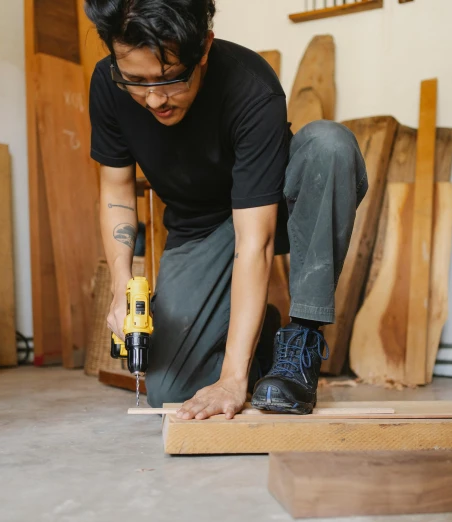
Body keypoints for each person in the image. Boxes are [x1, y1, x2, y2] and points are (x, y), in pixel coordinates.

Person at [85, 0, 367, 420]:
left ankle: (301, 338)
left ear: (204, 50)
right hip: (199, 229)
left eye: (170, 79)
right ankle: (262, 338)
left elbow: (256, 240)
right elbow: (117, 189)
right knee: (171, 392)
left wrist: (233, 380)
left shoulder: (250, 85)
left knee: (328, 146)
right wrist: (124, 287)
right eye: (136, 81)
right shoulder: (108, 83)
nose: (154, 99)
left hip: (276, 208)